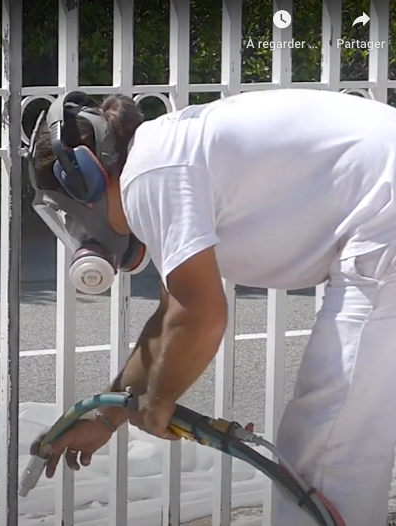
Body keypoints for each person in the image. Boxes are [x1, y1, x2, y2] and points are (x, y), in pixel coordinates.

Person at [26, 88, 396, 526]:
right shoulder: (164, 155)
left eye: (70, 213)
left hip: (383, 210)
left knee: (328, 448)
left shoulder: (149, 174)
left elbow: (201, 315)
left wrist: (159, 401)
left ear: (86, 176)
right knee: (348, 431)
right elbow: (170, 317)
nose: (78, 229)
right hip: (381, 205)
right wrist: (106, 417)